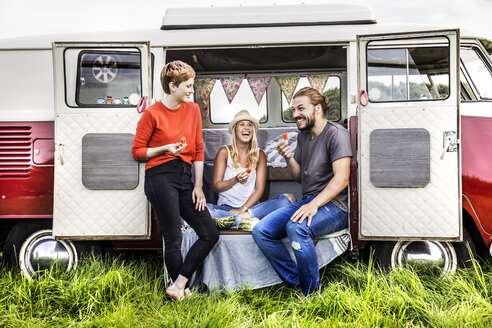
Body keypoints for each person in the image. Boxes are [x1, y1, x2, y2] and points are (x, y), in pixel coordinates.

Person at [252, 87, 352, 296]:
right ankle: (298, 283)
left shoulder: (336, 134)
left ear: (317, 108)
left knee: (296, 228)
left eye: (300, 108)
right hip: (309, 200)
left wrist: (314, 205)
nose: (295, 114)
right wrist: (288, 157)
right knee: (261, 231)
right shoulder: (304, 136)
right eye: (293, 109)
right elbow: (299, 177)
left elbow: (342, 179)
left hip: (335, 206)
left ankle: (310, 293)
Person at [132, 60, 219, 300]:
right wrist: (165, 149)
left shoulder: (192, 110)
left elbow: (199, 149)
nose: (192, 90)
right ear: (173, 86)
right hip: (159, 177)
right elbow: (137, 152)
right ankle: (181, 291)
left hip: (185, 177)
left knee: (209, 232)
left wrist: (199, 186)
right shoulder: (152, 114)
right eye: (188, 86)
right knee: (174, 236)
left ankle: (178, 284)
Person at [207, 110, 294, 228]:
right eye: (242, 124)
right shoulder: (224, 152)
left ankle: (240, 219)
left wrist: (243, 210)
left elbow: (259, 189)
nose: (246, 128)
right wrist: (235, 179)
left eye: (250, 125)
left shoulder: (260, 154)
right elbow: (217, 186)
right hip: (226, 208)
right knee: (202, 208)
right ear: (234, 130)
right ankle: (244, 220)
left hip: (251, 209)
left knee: (287, 199)